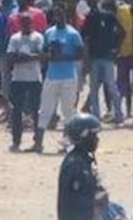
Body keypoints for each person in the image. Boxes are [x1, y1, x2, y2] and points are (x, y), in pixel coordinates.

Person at [54, 113, 118, 220]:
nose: (97, 140)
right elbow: (75, 201)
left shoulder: (84, 160)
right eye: (94, 135)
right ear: (84, 136)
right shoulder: (75, 164)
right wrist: (97, 199)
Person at [39, 8, 83, 152]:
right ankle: (38, 142)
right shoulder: (49, 33)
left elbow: (80, 54)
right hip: (51, 75)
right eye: (56, 15)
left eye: (62, 15)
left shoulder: (73, 34)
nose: (59, 18)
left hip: (68, 76)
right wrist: (48, 56)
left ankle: (67, 143)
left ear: (67, 17)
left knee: (68, 110)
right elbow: (44, 51)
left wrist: (62, 57)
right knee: (45, 108)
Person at [83, 0, 124, 124]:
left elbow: (122, 32)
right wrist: (87, 58)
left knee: (111, 86)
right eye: (88, 0)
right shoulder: (89, 17)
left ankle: (118, 114)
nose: (90, 2)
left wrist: (116, 49)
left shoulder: (108, 15)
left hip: (106, 57)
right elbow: (85, 39)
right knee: (94, 88)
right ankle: (96, 117)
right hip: (95, 57)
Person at [7, 13, 43, 152]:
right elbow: (11, 57)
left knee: (36, 110)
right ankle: (16, 141)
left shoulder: (38, 37)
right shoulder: (15, 38)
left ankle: (37, 141)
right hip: (18, 78)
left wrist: (22, 57)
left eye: (29, 22)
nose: (26, 25)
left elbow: (41, 55)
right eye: (24, 22)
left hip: (34, 78)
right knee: (17, 111)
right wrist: (31, 57)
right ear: (20, 24)